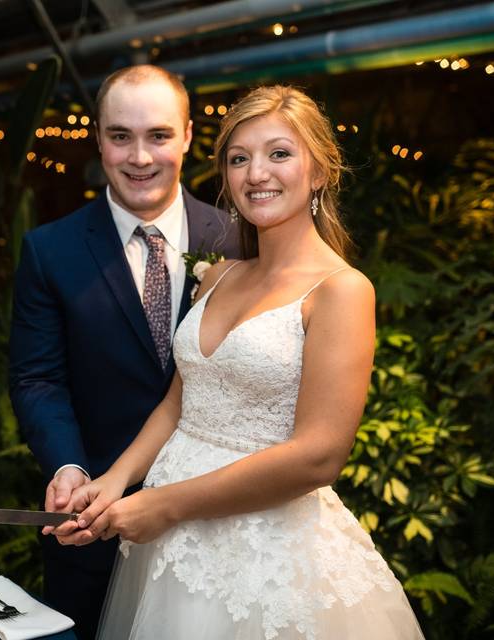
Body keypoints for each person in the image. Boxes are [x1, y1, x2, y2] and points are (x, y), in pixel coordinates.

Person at [52, 85, 426, 639]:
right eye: (239, 158)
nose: (257, 174)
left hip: (267, 555)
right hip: (170, 546)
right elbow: (180, 403)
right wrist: (116, 480)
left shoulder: (341, 291)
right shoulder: (220, 274)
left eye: (279, 153)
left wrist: (166, 505)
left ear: (319, 171)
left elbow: (318, 457)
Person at [8, 65, 242, 639]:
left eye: (158, 136)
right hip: (92, 523)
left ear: (188, 136)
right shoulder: (49, 250)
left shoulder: (239, 240)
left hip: (221, 515)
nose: (140, 157)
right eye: (120, 136)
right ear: (99, 138)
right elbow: (38, 377)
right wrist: (69, 466)